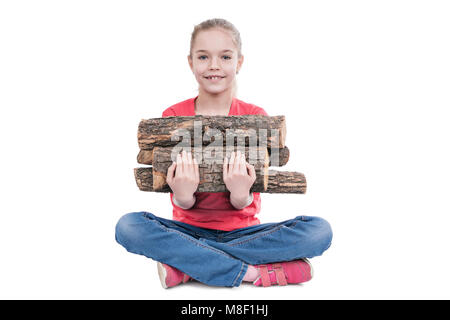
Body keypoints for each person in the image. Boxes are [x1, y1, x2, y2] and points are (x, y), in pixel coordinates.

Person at [115, 18, 332, 288]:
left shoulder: (255, 117)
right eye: (204, 56)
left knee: (319, 231)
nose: (214, 65)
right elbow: (180, 204)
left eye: (225, 56)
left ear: (239, 62)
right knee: (128, 227)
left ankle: (190, 265)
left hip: (246, 234)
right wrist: (183, 195)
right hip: (187, 231)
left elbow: (245, 204)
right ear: (190, 62)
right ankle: (251, 272)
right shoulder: (173, 117)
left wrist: (240, 193)